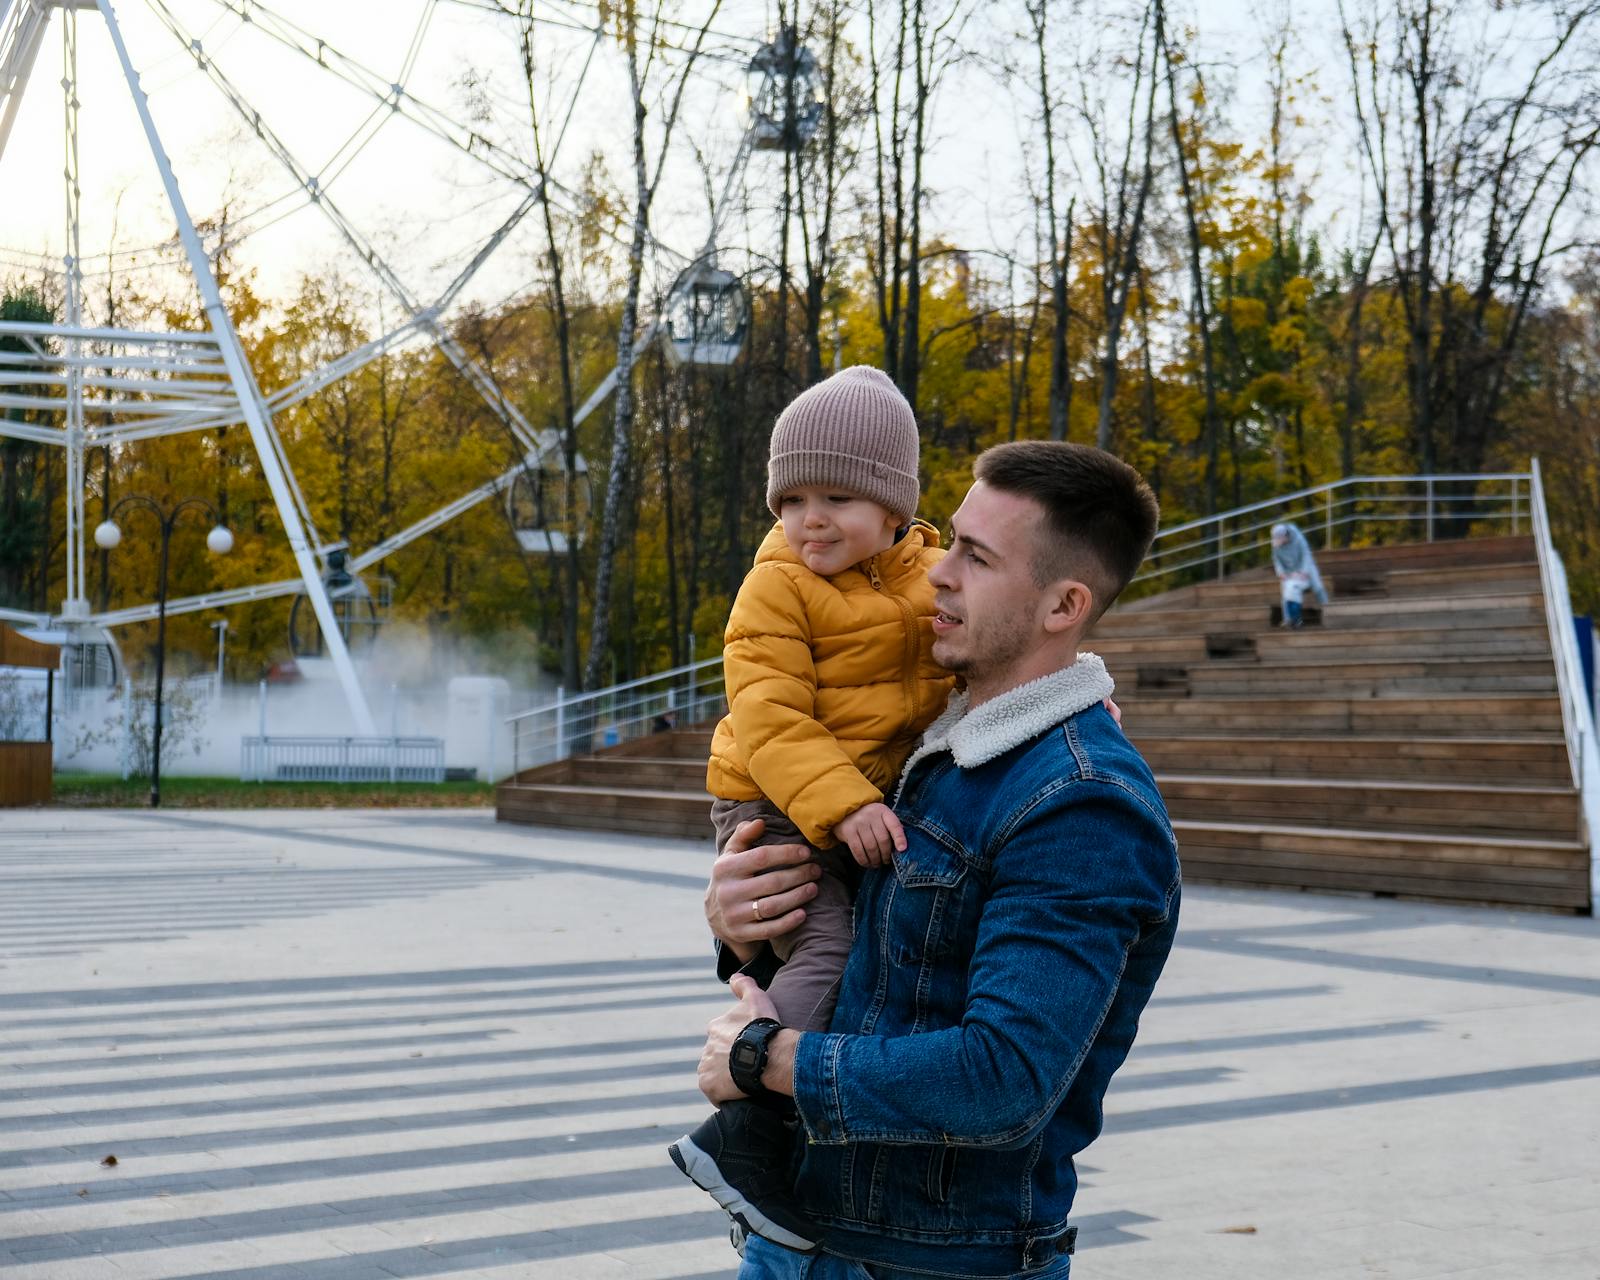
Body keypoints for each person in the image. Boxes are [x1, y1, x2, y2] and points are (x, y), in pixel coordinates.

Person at [697, 440, 1181, 1278]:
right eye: (949, 540)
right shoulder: (925, 748)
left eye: (977, 557)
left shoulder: (1081, 802)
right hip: (805, 1236)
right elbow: (890, 972)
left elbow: (1001, 1077)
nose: (938, 572)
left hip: (936, 1261)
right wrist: (743, 929)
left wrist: (765, 1058)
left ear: (1064, 605)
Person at [668, 366, 956, 1251]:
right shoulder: (777, 584)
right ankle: (746, 1130)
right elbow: (769, 715)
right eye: (790, 497)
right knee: (828, 940)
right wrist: (844, 808)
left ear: (895, 504)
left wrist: (1075, 691)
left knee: (849, 942)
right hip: (774, 798)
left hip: (852, 794)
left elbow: (1002, 644)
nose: (809, 519)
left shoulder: (936, 575)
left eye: (837, 495)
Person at [1270, 521, 1328, 627]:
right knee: (1286, 593)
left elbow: (1306, 554)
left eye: (1279, 539)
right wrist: (1281, 573)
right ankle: (1288, 619)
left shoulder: (1298, 538)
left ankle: (1328, 611)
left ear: (1285, 536)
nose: (1278, 542)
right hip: (1289, 571)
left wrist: (1304, 571)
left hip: (1306, 567)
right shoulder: (1275, 544)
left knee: (1318, 587)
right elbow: (1276, 560)